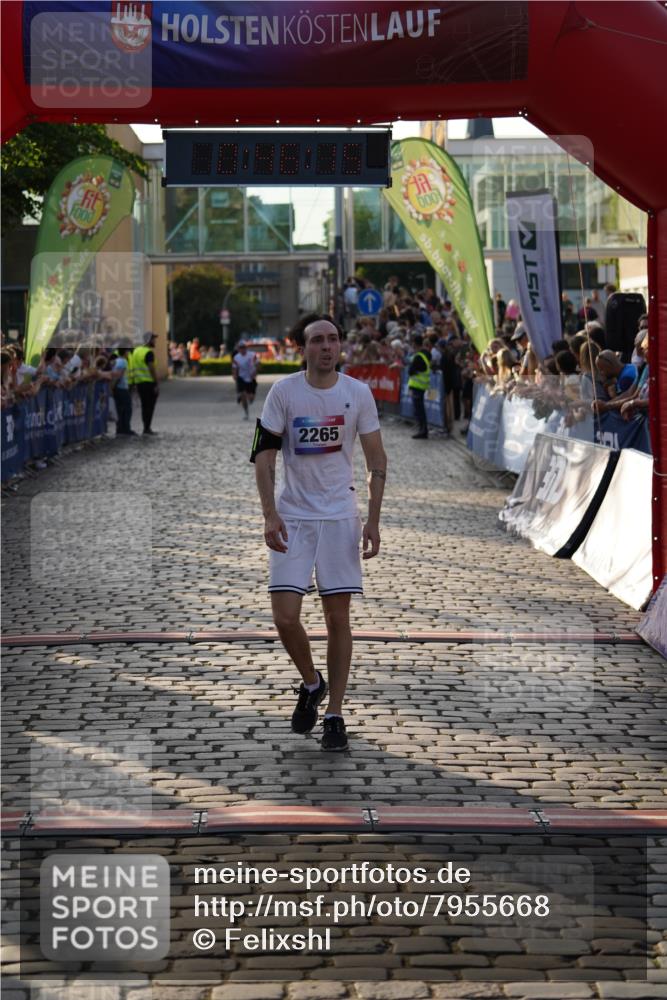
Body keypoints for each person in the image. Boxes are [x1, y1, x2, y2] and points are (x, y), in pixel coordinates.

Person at [251, 316, 387, 752]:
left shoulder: (357, 393)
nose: (327, 347)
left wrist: (373, 520)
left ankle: (335, 714)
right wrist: (270, 514)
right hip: (294, 517)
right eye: (317, 341)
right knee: (285, 617)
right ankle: (312, 683)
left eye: (333, 339)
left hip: (339, 518)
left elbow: (376, 461)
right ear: (302, 348)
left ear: (340, 346)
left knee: (337, 619)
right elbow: (264, 458)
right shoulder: (284, 392)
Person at [130, 331, 160, 435]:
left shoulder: (136, 351)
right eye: (153, 339)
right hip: (149, 383)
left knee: (144, 406)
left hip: (139, 382)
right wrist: (156, 383)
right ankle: (147, 428)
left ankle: (146, 427)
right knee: (149, 406)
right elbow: (151, 368)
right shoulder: (148, 352)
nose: (155, 341)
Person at [407, 333, 431, 439]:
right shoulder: (426, 355)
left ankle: (423, 431)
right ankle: (422, 429)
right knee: (420, 410)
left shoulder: (418, 357)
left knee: (419, 410)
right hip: (421, 387)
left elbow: (411, 371)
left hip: (417, 387)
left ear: (415, 344)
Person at [112, 346, 135, 436]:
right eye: (127, 351)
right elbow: (119, 375)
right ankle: (125, 428)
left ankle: (121, 428)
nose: (128, 353)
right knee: (127, 408)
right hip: (121, 388)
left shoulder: (117, 361)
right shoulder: (123, 361)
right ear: (125, 352)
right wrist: (113, 387)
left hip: (119, 387)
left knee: (120, 408)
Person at [232, 341, 258, 420]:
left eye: (243, 347)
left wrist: (255, 372)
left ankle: (246, 397)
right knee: (243, 394)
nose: (242, 349)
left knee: (251, 398)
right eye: (240, 348)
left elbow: (258, 364)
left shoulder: (252, 355)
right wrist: (234, 375)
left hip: (250, 378)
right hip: (241, 377)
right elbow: (234, 367)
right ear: (238, 349)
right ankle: (246, 412)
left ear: (246, 348)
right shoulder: (236, 357)